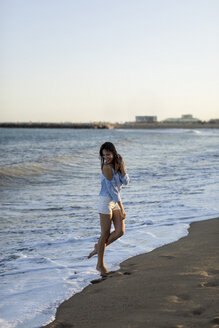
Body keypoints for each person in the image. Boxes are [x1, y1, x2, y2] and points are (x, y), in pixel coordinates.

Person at [88, 142, 130, 275]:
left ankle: (99, 247)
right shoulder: (106, 167)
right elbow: (113, 190)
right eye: (103, 155)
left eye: (108, 154)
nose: (106, 157)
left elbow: (125, 182)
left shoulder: (117, 164)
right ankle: (100, 266)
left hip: (115, 200)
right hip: (106, 201)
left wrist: (123, 168)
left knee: (120, 231)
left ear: (113, 153)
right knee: (105, 233)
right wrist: (122, 208)